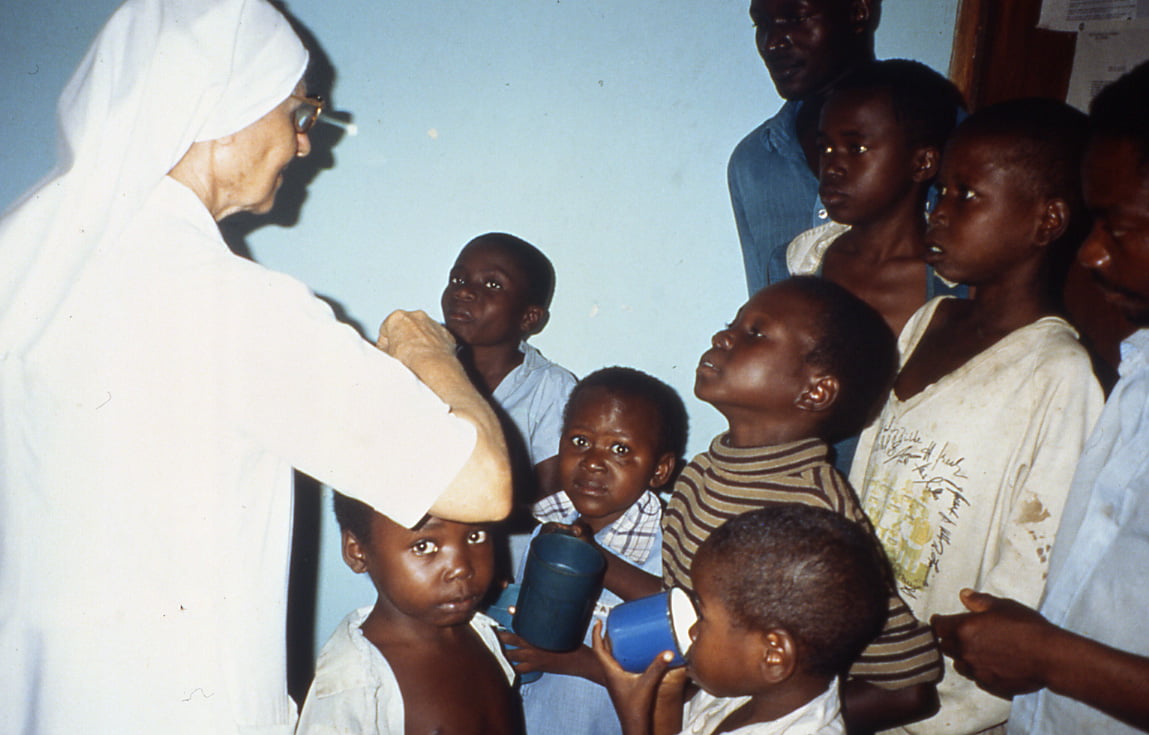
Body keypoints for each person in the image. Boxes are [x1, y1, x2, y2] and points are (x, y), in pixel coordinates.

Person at [0, 1, 510, 733]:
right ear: (227, 109)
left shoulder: (25, 265)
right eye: (299, 114)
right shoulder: (227, 305)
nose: (303, 145)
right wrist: (429, 354)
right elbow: (484, 485)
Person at [848, 99, 1106, 734]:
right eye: (941, 192)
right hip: (859, 659)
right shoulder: (927, 320)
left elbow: (1033, 565)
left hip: (946, 702)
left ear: (1046, 221)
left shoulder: (1058, 373)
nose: (939, 212)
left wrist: (951, 709)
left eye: (968, 196)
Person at [929, 60, 1149, 735]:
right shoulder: (1137, 368)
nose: (1089, 253)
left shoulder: (1066, 369)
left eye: (1118, 225)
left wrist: (1049, 655)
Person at [661, 276, 944, 732]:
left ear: (815, 392)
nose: (723, 337)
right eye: (732, 324)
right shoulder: (700, 474)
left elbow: (909, 685)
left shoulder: (812, 506)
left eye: (755, 332)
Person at [498, 366, 689, 735]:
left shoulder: (665, 548)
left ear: (659, 470)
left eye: (620, 449)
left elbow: (677, 671)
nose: (593, 461)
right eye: (580, 441)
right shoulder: (546, 530)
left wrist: (574, 659)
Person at [592, 504, 891, 735]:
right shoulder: (747, 688)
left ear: (773, 655)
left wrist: (633, 718)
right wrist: (667, 693)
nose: (692, 628)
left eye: (704, 617)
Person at [296, 494, 518, 734]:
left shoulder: (483, 634)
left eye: (475, 536)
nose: (461, 568)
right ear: (357, 551)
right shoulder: (357, 683)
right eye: (423, 546)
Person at [787, 59, 967, 338]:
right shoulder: (798, 265)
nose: (832, 165)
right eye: (826, 148)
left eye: (856, 147)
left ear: (922, 163)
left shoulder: (960, 284)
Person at [728, 0, 880, 294]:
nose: (772, 43)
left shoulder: (932, 137)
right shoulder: (755, 162)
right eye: (761, 24)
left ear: (858, 10)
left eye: (796, 18)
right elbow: (765, 307)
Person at [442, 232, 577, 504]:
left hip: (511, 541)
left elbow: (550, 497)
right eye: (458, 278)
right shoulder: (425, 367)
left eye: (492, 284)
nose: (464, 290)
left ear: (529, 317)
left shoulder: (550, 387)